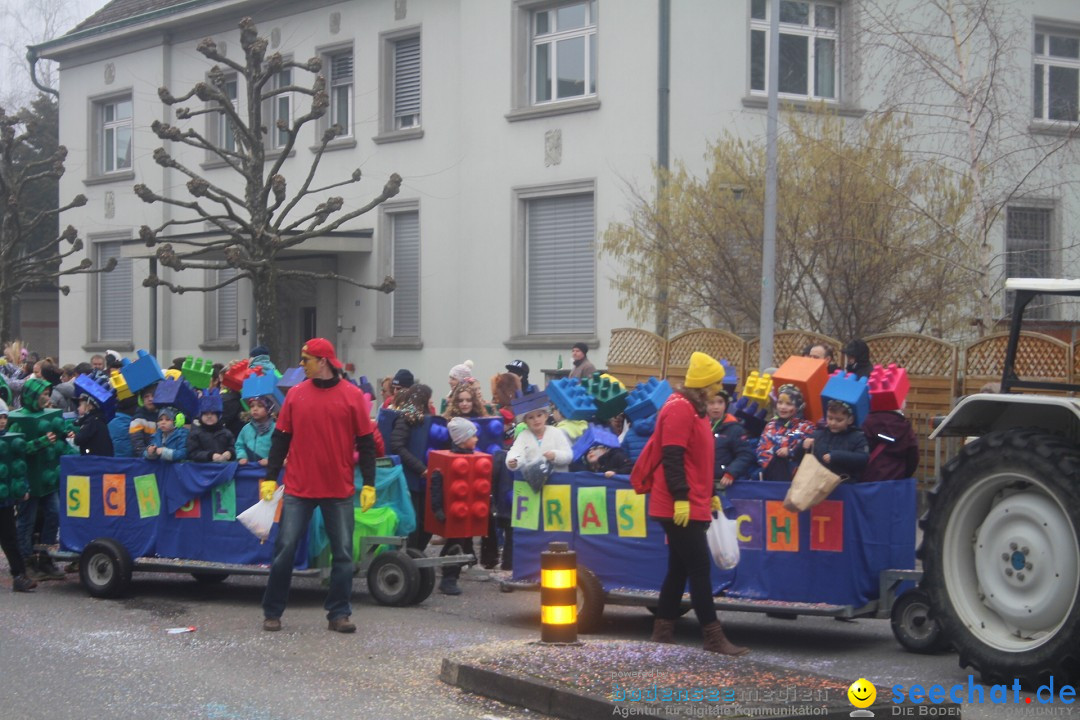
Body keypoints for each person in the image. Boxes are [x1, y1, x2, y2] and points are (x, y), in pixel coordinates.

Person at [637, 351, 748, 656]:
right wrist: (682, 499)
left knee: (679, 569)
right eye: (715, 384)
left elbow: (695, 458)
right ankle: (713, 636)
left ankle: (662, 631)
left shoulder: (693, 409)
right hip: (676, 502)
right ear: (703, 386)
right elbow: (672, 458)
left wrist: (706, 492)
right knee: (698, 568)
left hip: (688, 498)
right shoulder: (680, 410)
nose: (719, 391)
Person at [262, 338, 377, 634]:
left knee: (342, 553)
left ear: (323, 361)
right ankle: (272, 611)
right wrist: (269, 478)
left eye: (306, 360)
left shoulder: (352, 396)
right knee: (284, 549)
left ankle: (339, 613)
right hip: (300, 486)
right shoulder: (296, 395)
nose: (302, 365)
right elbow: (280, 439)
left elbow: (366, 443)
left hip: (338, 488)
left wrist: (370, 484)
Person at [429, 417, 486, 595]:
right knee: (455, 545)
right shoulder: (450, 462)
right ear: (462, 439)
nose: (476, 439)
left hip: (466, 512)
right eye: (473, 436)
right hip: (454, 513)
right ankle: (448, 579)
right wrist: (438, 508)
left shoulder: (474, 459)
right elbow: (436, 486)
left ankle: (450, 574)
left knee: (460, 544)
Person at [393, 384, 435, 551]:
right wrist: (420, 468)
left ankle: (416, 554)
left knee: (426, 521)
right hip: (411, 478)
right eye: (429, 397)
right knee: (415, 521)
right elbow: (397, 445)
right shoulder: (406, 418)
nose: (431, 401)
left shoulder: (422, 417)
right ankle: (412, 556)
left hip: (422, 479)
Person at [0, 400, 37, 592]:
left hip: (4, 501)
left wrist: (23, 488)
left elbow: (19, 467)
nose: (2, 421)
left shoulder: (11, 440)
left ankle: (19, 575)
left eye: (4, 417)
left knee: (10, 538)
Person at [756, 385, 816, 482]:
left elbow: (808, 453)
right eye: (780, 402)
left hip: (799, 480)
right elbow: (761, 451)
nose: (783, 407)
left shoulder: (806, 427)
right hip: (772, 477)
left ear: (798, 406)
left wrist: (790, 452)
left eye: (789, 404)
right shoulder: (770, 425)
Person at [803, 400, 869, 482]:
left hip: (846, 484)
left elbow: (863, 459)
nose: (833, 423)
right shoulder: (818, 434)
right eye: (830, 418)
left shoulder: (858, 437)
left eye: (839, 420)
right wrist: (803, 446)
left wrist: (836, 456)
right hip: (818, 484)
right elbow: (799, 458)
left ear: (850, 420)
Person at [505, 397, 572, 474]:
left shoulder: (556, 432)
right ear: (526, 421)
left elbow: (568, 456)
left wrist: (555, 455)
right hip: (532, 482)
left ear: (546, 416)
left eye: (539, 415)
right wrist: (513, 461)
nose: (536, 420)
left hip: (557, 481)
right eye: (531, 417)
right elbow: (515, 452)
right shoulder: (523, 436)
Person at [708, 389, 755, 488]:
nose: (716, 407)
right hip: (702, 482)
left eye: (720, 402)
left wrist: (731, 472)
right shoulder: (700, 426)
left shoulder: (735, 429)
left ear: (726, 405)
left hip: (724, 484)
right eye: (711, 402)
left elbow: (745, 454)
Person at [862, 405, 920, 482]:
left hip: (867, 480)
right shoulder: (905, 427)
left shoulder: (865, 422)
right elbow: (913, 457)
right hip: (896, 480)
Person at [187, 390, 235, 463]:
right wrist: (210, 455)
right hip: (203, 470)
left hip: (223, 468)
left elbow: (234, 447)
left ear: (218, 416)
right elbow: (192, 453)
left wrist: (230, 453)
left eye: (212, 414)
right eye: (206, 414)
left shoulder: (226, 433)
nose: (209, 416)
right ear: (201, 416)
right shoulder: (195, 433)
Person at [235, 395, 277, 467]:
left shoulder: (276, 428)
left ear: (268, 409)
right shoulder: (246, 429)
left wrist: (270, 459)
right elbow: (239, 445)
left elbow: (279, 449)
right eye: (252, 406)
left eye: (260, 406)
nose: (255, 409)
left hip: (269, 469)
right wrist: (242, 456)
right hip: (249, 469)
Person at [71, 391, 114, 457]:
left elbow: (78, 439)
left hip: (94, 462)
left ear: (89, 406)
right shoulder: (98, 419)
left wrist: (75, 434)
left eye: (80, 405)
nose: (78, 408)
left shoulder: (92, 421)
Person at [129, 385, 159, 458]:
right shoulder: (138, 419)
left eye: (153, 396)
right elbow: (137, 443)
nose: (150, 399)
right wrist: (146, 454)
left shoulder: (163, 416)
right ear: (142, 400)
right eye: (146, 396)